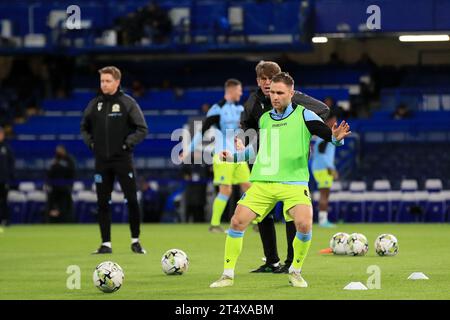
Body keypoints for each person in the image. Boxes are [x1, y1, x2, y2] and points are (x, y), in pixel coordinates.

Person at [210, 72, 350, 288]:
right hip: (264, 183)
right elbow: (258, 150)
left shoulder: (305, 115)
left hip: (293, 184)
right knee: (237, 221)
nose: (275, 97)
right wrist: (235, 157)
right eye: (272, 92)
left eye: (280, 93)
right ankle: (227, 275)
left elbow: (326, 134)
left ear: (291, 93)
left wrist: (336, 139)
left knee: (304, 224)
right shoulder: (264, 119)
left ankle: (295, 270)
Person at [240, 60, 330, 274]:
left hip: (290, 163)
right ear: (258, 81)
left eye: (271, 79)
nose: (268, 84)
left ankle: (290, 262)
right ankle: (271, 261)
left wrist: (302, 132)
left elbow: (323, 110)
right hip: (264, 162)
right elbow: (247, 131)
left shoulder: (293, 97)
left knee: (291, 211)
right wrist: (248, 149)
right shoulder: (253, 102)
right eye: (263, 79)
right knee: (264, 214)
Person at [81, 66, 148, 254]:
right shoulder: (94, 104)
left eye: (108, 81)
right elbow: (84, 127)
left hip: (122, 160)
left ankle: (135, 241)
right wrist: (92, 144)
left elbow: (142, 128)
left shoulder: (127, 103)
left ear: (117, 82)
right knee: (102, 202)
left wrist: (128, 144)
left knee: (132, 200)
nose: (104, 84)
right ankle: (106, 244)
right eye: (102, 81)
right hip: (101, 161)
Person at [180, 79, 251, 233]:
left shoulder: (239, 109)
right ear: (231, 91)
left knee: (249, 188)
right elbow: (203, 131)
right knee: (226, 190)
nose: (241, 93)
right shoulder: (217, 109)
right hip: (222, 154)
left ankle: (258, 222)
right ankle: (214, 224)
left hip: (238, 156)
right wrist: (188, 150)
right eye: (239, 90)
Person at [311, 110, 339, 228]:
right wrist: (331, 168)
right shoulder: (326, 136)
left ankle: (323, 219)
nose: (335, 122)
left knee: (324, 194)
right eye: (334, 120)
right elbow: (322, 154)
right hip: (323, 168)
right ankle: (323, 221)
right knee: (324, 194)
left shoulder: (322, 136)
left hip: (319, 167)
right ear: (329, 121)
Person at [46, 145, 76, 223]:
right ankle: (52, 220)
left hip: (65, 188)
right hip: (54, 187)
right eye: (57, 151)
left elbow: (71, 172)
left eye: (60, 150)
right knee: (52, 204)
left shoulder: (69, 160)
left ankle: (67, 220)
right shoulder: (54, 160)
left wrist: (70, 185)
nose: (58, 152)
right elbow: (49, 173)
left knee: (65, 205)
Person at [0, 126, 15, 226]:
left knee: (4, 200)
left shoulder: (6, 148)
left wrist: (10, 177)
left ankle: (5, 219)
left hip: (3, 180)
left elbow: (11, 163)